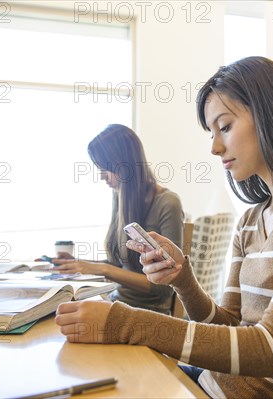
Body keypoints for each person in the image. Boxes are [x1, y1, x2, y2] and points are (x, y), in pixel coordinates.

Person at [55, 57, 273, 398]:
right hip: (212, 384)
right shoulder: (251, 220)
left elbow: (269, 349)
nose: (215, 147)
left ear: (271, 115)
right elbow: (229, 325)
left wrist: (125, 323)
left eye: (225, 127)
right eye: (212, 133)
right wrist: (183, 279)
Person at [51, 124, 184, 314]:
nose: (102, 176)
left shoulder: (167, 203)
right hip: (117, 302)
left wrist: (102, 269)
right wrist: (77, 263)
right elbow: (119, 264)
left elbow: (164, 287)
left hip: (149, 314)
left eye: (105, 168)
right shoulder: (120, 196)